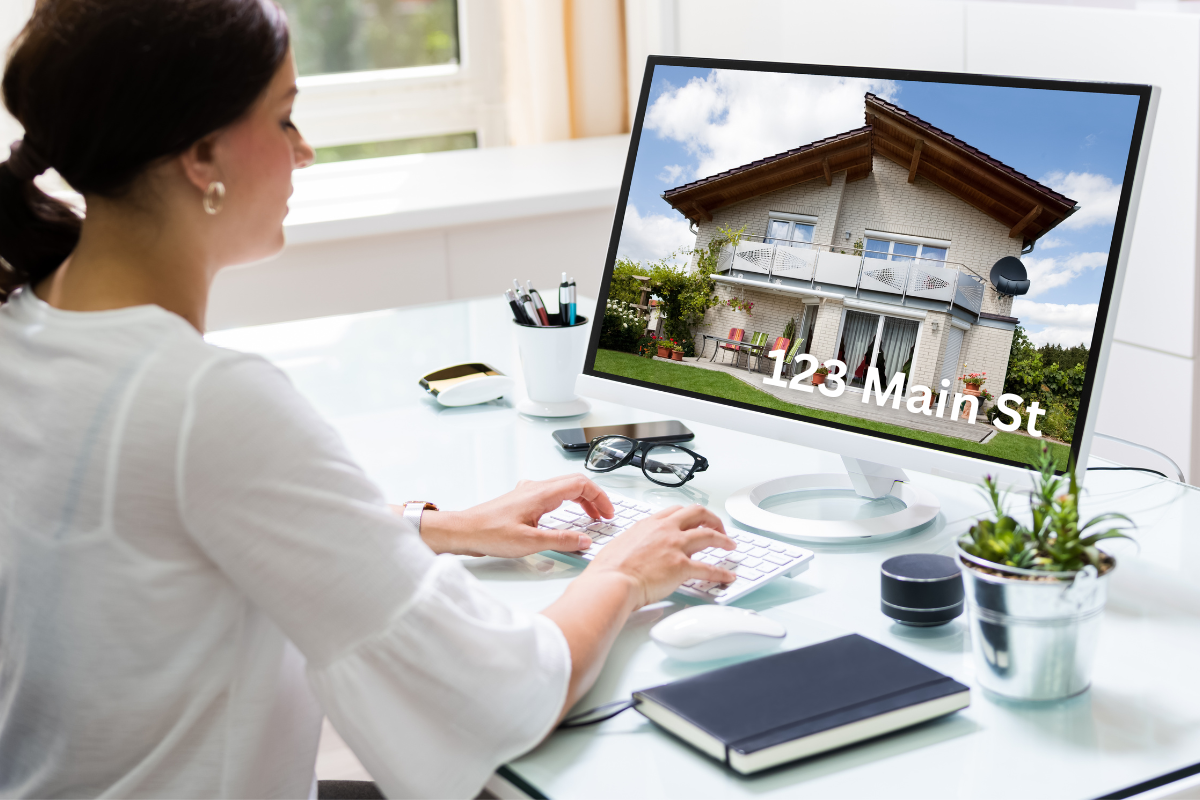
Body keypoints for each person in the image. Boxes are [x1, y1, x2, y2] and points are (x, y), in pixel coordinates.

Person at [0, 2, 736, 797]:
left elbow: (165, 539)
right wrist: (623, 572)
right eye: (284, 120)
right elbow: (495, 694)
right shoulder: (202, 405)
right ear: (201, 156)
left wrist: (431, 527)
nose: (305, 152)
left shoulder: (27, 323)